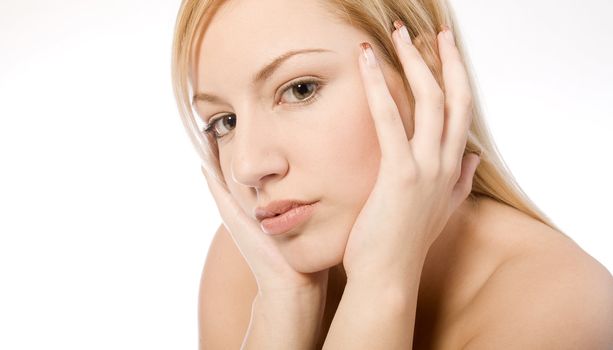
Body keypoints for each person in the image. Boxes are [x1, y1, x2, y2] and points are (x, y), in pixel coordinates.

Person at [171, 0, 613, 348]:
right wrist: (283, 307)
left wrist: (381, 280)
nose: (248, 166)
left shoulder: (562, 305)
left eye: (299, 89)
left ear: (426, 74)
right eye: (223, 121)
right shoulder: (254, 262)